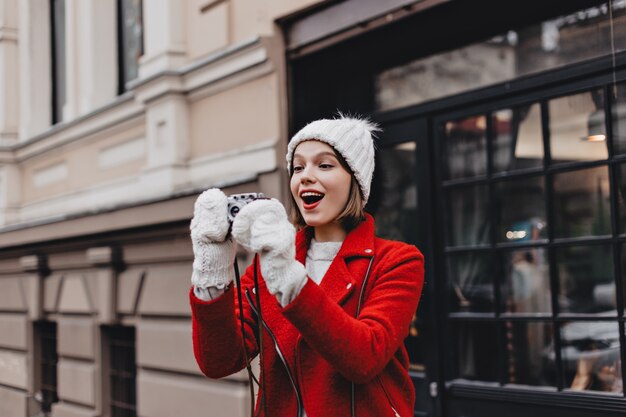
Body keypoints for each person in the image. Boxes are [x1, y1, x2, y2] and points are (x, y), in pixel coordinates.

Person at [189, 115, 425, 417]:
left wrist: (288, 278)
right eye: (298, 167)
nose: (305, 176)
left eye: (324, 165)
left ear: (356, 180)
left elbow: (364, 357)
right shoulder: (265, 265)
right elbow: (218, 362)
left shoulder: (397, 261)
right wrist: (213, 271)